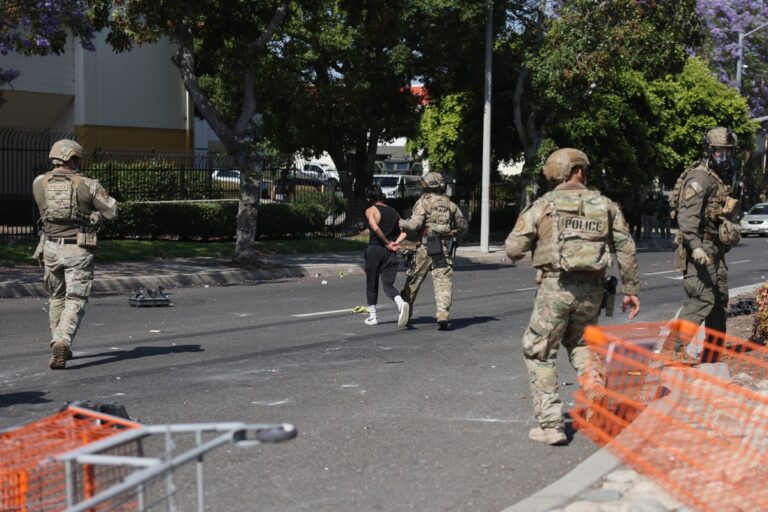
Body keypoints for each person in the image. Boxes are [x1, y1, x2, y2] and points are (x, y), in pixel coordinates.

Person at [505, 148, 640, 446]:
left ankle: (552, 424)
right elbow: (626, 248)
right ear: (578, 170)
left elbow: (513, 249)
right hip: (594, 290)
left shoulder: (543, 205)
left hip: (556, 288)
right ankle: (596, 395)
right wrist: (630, 291)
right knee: (583, 344)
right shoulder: (605, 205)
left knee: (538, 350)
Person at [32, 139, 118, 369]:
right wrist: (95, 215)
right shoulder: (88, 184)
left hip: (50, 247)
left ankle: (59, 343)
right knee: (75, 298)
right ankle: (62, 340)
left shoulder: (39, 182)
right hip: (77, 249)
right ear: (72, 158)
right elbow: (111, 211)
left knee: (56, 297)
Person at [663, 127, 741, 363]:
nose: (724, 158)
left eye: (728, 152)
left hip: (715, 248)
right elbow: (687, 218)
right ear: (708, 151)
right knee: (701, 298)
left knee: (719, 301)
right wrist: (695, 246)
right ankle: (673, 349)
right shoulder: (699, 178)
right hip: (699, 247)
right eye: (719, 152)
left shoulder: (722, 179)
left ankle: (713, 354)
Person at [398, 172, 468, 330]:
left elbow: (415, 224)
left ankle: (406, 311)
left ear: (426, 185)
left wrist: (402, 223)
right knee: (443, 282)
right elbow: (463, 225)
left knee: (413, 281)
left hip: (424, 247)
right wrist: (458, 238)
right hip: (443, 247)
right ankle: (442, 314)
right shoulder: (450, 204)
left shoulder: (423, 202)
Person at [363, 184, 409, 327]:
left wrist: (386, 242)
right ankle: (401, 304)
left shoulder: (371, 210)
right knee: (388, 284)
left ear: (369, 197)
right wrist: (394, 243)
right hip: (390, 253)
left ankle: (373, 316)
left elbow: (375, 227)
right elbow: (406, 230)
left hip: (375, 250)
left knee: (372, 282)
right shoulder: (394, 212)